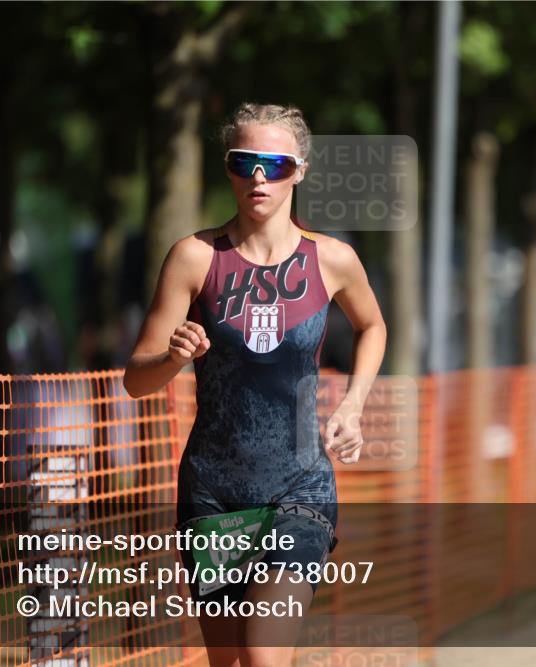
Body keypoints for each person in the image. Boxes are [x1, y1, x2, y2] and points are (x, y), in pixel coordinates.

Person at [123, 102, 387, 667]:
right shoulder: (195, 258)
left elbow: (372, 325)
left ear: (300, 170)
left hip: (299, 484)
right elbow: (135, 380)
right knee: (228, 663)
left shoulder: (332, 259)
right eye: (245, 163)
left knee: (263, 655)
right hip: (212, 489)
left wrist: (354, 405)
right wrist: (172, 358)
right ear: (228, 169)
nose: (259, 177)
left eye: (274, 163)